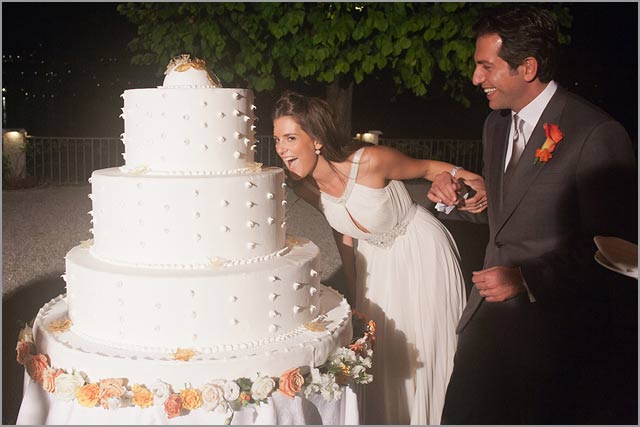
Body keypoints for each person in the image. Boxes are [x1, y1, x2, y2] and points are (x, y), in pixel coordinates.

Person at [428, 5, 638, 424]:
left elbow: (619, 255)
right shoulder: (496, 125)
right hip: (485, 328)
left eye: (486, 67)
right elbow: (507, 218)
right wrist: (459, 198)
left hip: (552, 341)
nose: (476, 79)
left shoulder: (596, 134)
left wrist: (528, 278)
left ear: (527, 67)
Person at [272, 91, 486, 425]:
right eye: (277, 140)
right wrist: (356, 293)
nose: (282, 149)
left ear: (315, 140)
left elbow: (430, 168)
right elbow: (342, 233)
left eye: (290, 138)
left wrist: (467, 180)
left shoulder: (369, 161)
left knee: (428, 347)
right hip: (377, 265)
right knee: (388, 357)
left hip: (420, 251)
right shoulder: (305, 187)